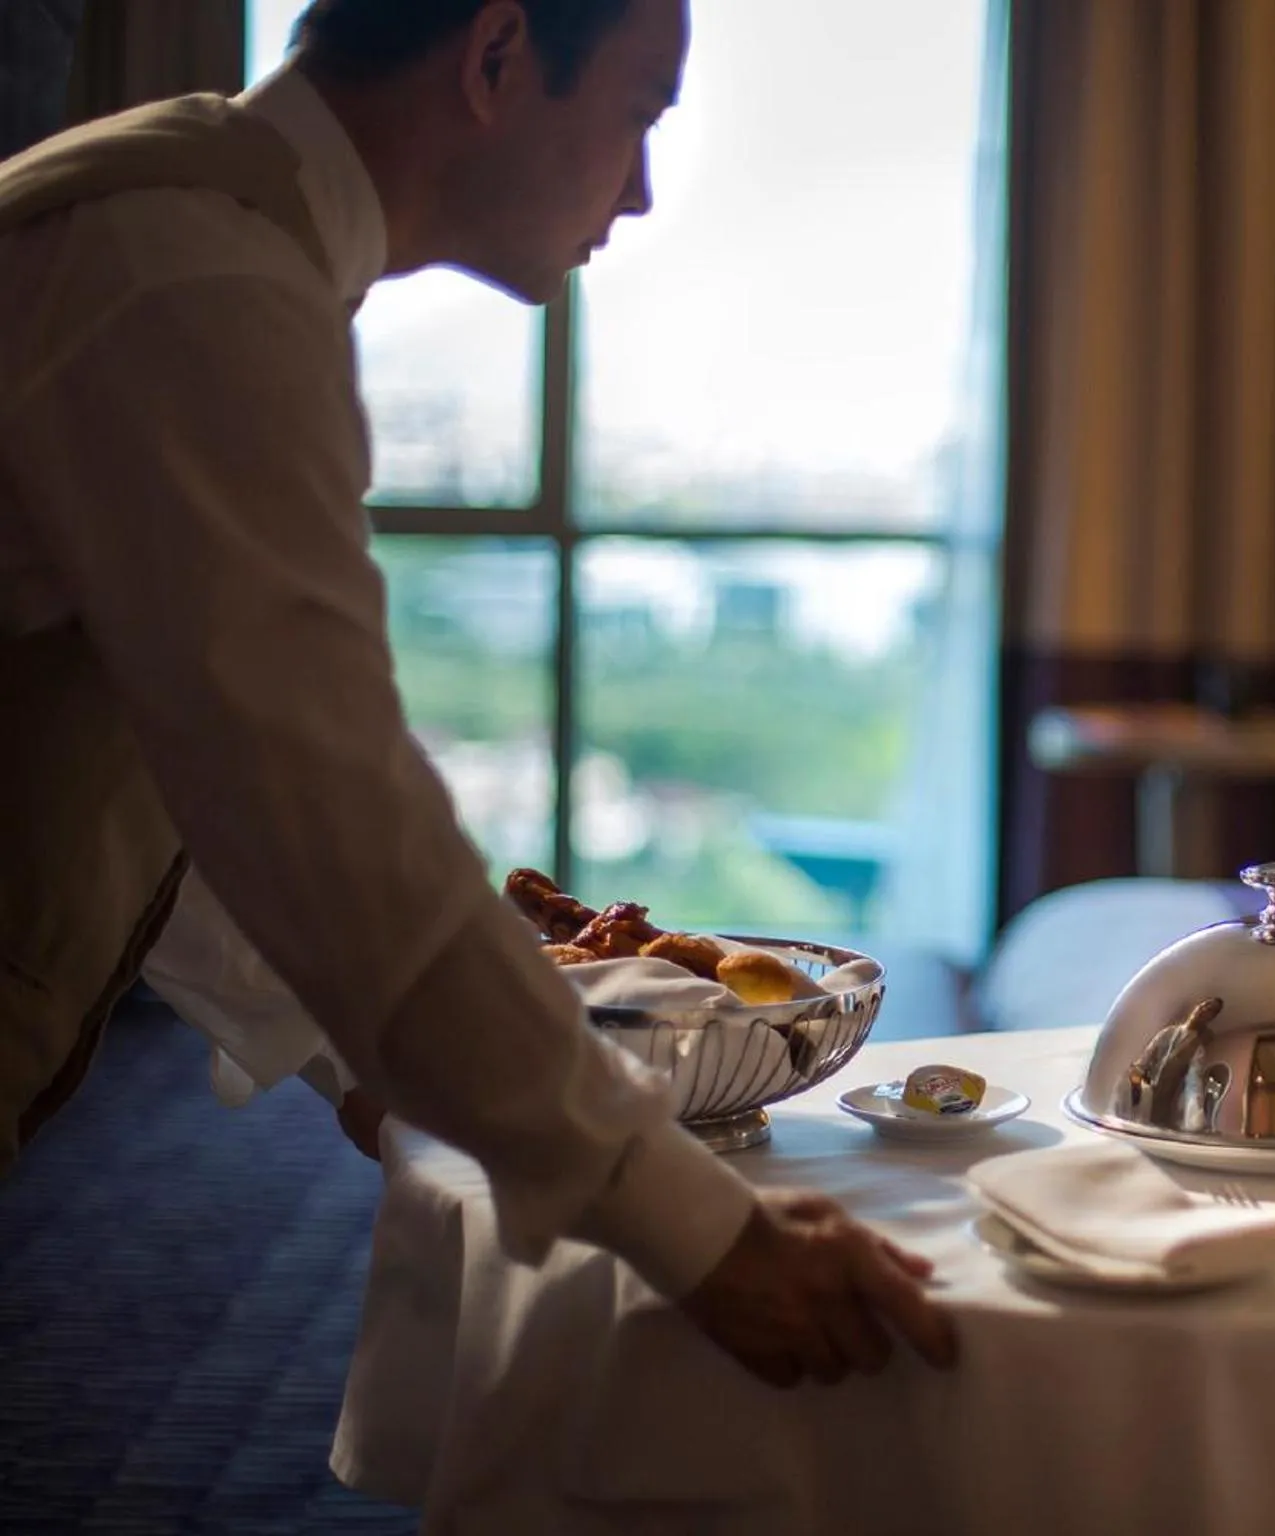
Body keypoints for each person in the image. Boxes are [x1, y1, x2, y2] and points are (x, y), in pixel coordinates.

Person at [0, 0, 956, 1391]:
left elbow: (180, 773)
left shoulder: (182, 225)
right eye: (639, 114)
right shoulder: (193, 276)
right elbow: (329, 812)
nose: (638, 190)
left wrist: (359, 1052)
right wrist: (699, 1236)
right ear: (497, 56)